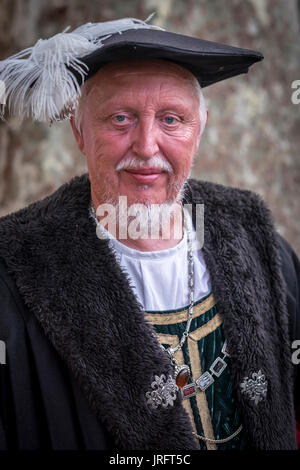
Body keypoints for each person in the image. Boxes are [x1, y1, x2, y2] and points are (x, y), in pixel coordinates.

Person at [0, 16, 299, 451]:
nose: (146, 146)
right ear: (80, 132)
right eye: (121, 118)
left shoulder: (256, 239)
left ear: (200, 130)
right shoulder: (14, 271)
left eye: (172, 119)